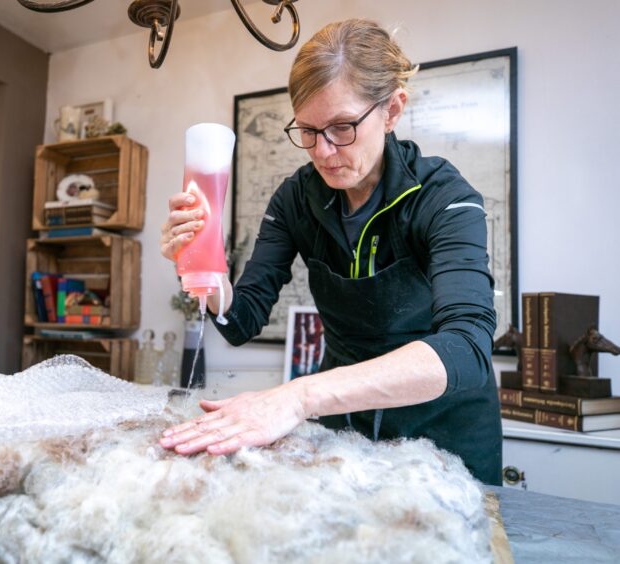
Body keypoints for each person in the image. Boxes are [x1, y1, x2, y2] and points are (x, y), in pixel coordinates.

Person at [158, 19, 501, 485]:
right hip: (345, 436)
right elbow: (242, 320)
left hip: (446, 436)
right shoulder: (296, 199)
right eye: (307, 130)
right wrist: (201, 267)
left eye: (341, 127)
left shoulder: (443, 197)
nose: (322, 152)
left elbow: (466, 347)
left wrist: (298, 397)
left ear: (393, 109)